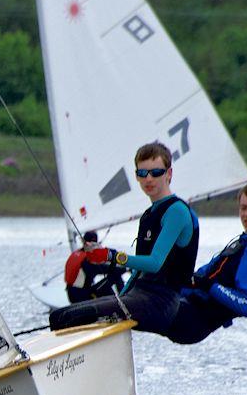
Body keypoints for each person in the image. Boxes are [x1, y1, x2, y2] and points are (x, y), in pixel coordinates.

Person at [49, 142, 199, 336]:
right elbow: (138, 272)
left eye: (156, 172)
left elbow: (154, 263)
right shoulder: (148, 215)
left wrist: (111, 256)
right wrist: (122, 296)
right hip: (139, 295)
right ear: (137, 176)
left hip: (162, 302)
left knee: (72, 317)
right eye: (143, 174)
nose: (149, 179)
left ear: (169, 174)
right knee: (59, 316)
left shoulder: (176, 211)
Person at [165, 182, 247, 344]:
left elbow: (246, 304)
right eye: (243, 208)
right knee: (147, 285)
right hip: (184, 304)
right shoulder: (243, 243)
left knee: (135, 306)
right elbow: (201, 275)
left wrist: (209, 285)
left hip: (192, 321)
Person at [65, 230, 125, 303]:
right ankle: (124, 300)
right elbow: (105, 269)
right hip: (82, 298)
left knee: (107, 283)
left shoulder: (77, 254)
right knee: (115, 275)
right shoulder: (87, 261)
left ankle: (117, 301)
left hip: (72, 295)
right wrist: (126, 268)